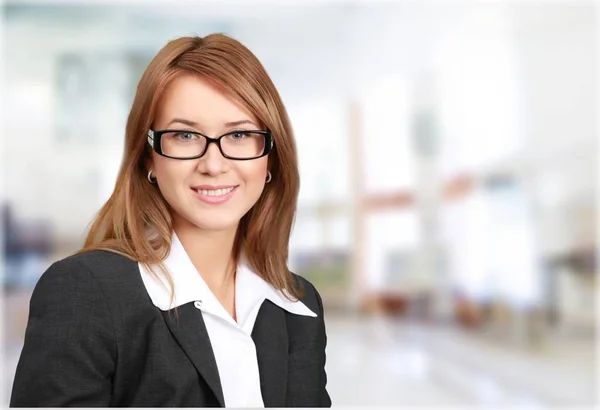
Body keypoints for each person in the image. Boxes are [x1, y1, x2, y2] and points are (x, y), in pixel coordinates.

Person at [10, 34, 331, 408]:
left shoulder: (298, 304)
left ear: (270, 157)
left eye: (240, 134)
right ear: (149, 158)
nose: (213, 165)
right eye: (185, 135)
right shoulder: (86, 293)